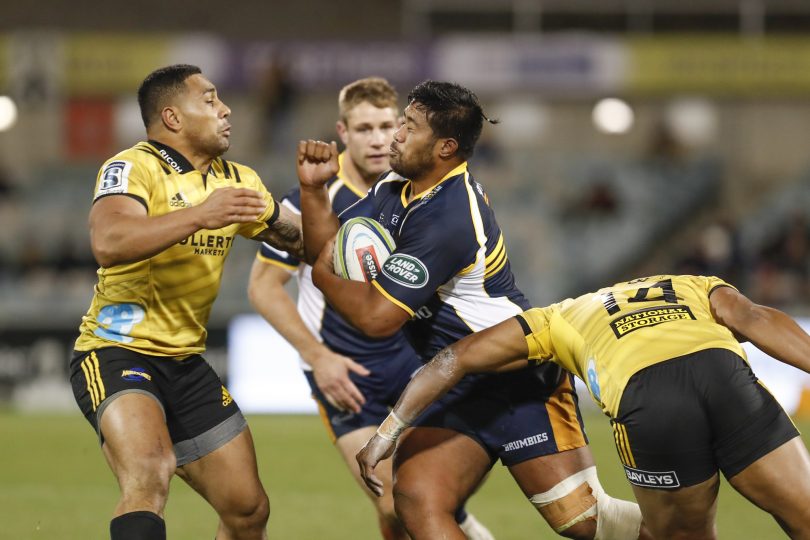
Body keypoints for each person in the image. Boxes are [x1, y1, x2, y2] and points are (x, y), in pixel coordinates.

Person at [296, 80, 647, 540]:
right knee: (417, 498)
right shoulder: (396, 187)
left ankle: (684, 533)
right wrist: (313, 192)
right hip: (455, 380)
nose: (395, 136)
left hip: (519, 379)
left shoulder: (449, 216)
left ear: (444, 147)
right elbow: (329, 247)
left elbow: (375, 319)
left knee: (583, 522)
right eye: (403, 121)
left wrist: (325, 277)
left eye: (409, 126)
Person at [358, 274, 810, 539]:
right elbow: (752, 317)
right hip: (725, 376)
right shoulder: (690, 284)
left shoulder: (556, 318)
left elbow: (453, 359)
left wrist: (387, 432)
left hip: (647, 397)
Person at [248, 77, 493, 540]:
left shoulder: (415, 190)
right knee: (391, 496)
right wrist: (319, 358)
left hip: (410, 361)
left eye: (389, 125)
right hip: (348, 375)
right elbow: (262, 288)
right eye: (364, 129)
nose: (379, 138)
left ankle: (458, 523)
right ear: (343, 132)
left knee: (419, 497)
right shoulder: (313, 196)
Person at [69, 64, 303, 540]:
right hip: (116, 350)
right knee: (150, 472)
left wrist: (314, 197)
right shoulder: (134, 166)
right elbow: (109, 240)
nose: (226, 109)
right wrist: (200, 215)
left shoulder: (238, 180)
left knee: (247, 509)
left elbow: (307, 245)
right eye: (211, 99)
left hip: (185, 363)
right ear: (173, 117)